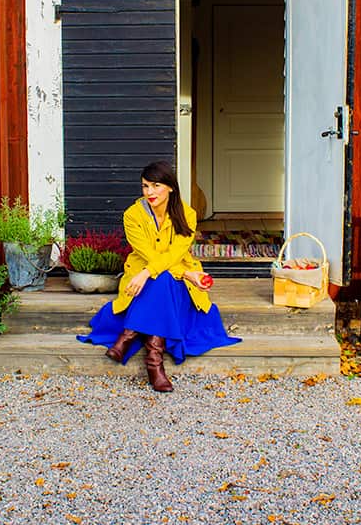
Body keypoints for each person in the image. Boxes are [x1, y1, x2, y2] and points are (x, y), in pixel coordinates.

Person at [76, 160, 240, 392]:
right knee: (161, 279)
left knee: (161, 279)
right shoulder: (132, 215)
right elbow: (150, 255)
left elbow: (176, 254)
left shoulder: (188, 214)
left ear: (170, 187)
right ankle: (154, 365)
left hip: (170, 280)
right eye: (145, 186)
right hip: (158, 276)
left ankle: (129, 335)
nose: (150, 192)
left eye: (156, 186)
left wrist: (150, 273)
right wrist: (185, 274)